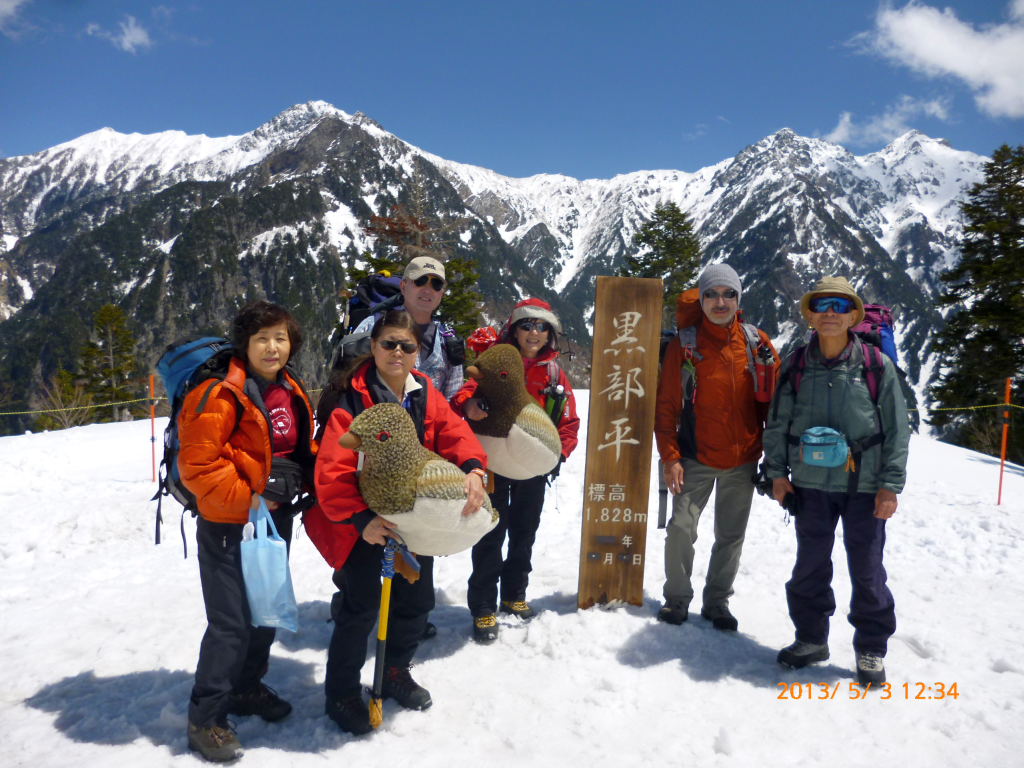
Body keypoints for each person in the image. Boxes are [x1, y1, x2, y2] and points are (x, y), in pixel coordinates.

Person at [303, 310, 488, 735]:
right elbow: (332, 472)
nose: (398, 352)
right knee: (361, 607)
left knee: (416, 602)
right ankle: (342, 692)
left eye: (407, 345)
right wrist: (361, 518)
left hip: (411, 518)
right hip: (362, 522)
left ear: (417, 352)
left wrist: (474, 467)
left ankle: (394, 672)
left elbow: (453, 433)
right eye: (389, 343)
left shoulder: (423, 392)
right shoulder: (353, 400)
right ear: (373, 347)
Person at [177, 301, 317, 762]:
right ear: (245, 344)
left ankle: (247, 687)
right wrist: (256, 496)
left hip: (272, 521)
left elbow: (296, 444)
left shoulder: (289, 386)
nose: (272, 347)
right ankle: (206, 719)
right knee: (231, 624)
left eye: (280, 337)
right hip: (227, 524)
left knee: (263, 611)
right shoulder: (218, 393)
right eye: (261, 339)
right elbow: (199, 468)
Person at [763, 276, 910, 685]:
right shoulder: (794, 365)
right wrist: (777, 474)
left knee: (866, 569)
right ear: (809, 314)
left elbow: (898, 429)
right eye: (822, 305)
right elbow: (776, 425)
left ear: (853, 316)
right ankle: (811, 638)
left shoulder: (875, 366)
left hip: (866, 487)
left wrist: (891, 485)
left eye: (840, 306)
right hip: (809, 484)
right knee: (809, 566)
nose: (830, 313)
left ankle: (870, 649)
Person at [654, 264, 779, 631]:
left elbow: (775, 401)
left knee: (731, 535)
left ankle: (717, 601)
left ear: (738, 300)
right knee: (680, 528)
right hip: (695, 456)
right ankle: (677, 598)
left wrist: (776, 456)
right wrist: (670, 457)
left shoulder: (756, 342)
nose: (719, 301)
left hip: (743, 459)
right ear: (702, 299)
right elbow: (667, 407)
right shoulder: (685, 346)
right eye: (711, 294)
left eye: (728, 294)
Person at [454, 298, 580, 642]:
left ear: (550, 333)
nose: (534, 333)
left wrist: (558, 455)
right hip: (493, 462)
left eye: (541, 326)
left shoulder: (555, 372)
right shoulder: (497, 359)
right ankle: (483, 606)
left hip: (532, 468)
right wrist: (470, 404)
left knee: (524, 531)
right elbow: (466, 392)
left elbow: (568, 421)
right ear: (514, 329)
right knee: (490, 533)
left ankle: (513, 594)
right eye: (527, 325)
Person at [352, 256, 464, 402]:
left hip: (430, 423)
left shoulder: (448, 340)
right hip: (375, 420)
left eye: (436, 284)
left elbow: (453, 400)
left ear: (441, 294)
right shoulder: (373, 326)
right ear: (403, 287)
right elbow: (348, 381)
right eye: (420, 281)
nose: (427, 289)